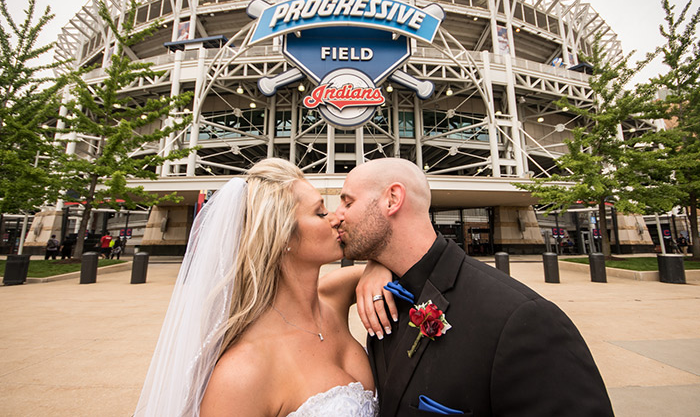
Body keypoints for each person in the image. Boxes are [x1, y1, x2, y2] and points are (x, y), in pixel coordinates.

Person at [337, 158, 614, 416]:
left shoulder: (523, 319)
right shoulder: (385, 296)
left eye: (347, 203)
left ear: (392, 199)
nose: (336, 216)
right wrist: (374, 263)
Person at [135, 158, 389, 416]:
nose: (336, 218)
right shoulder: (241, 373)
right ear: (282, 236)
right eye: (320, 213)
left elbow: (402, 264)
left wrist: (378, 267)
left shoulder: (335, 293)